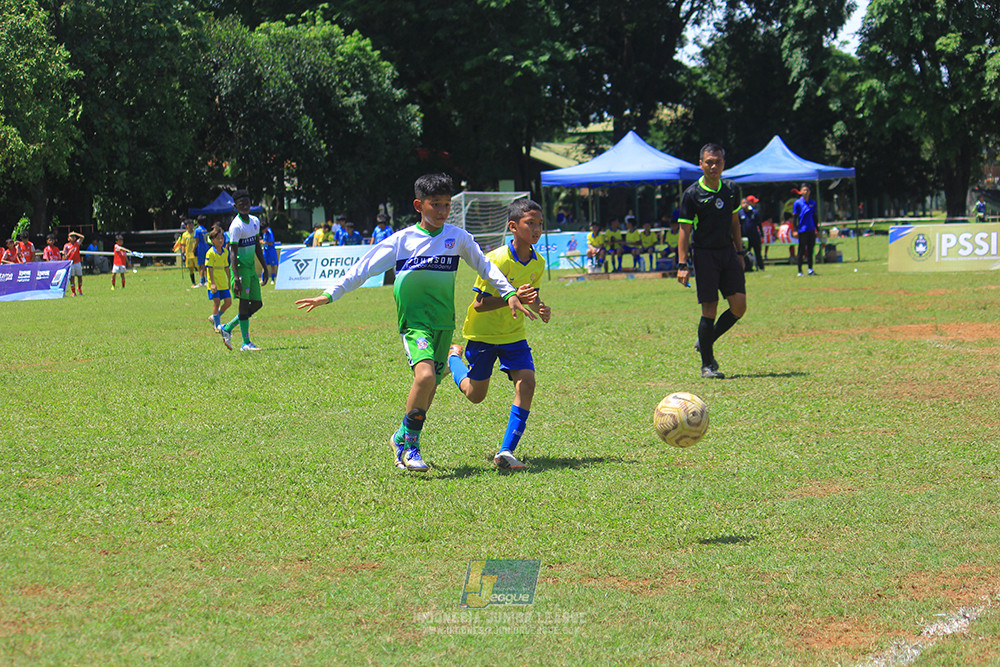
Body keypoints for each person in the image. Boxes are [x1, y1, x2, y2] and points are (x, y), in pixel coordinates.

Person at [294, 173, 533, 473]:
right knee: (425, 379)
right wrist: (329, 295)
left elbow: (486, 266)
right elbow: (362, 269)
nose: (443, 211)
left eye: (447, 204)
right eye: (436, 204)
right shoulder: (402, 241)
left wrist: (508, 292)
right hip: (415, 324)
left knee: (428, 389)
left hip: (444, 325)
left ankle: (400, 437)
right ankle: (411, 448)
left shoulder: (457, 238)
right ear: (419, 205)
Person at [447, 199, 551, 470]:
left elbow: (530, 294)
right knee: (475, 394)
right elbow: (480, 304)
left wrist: (539, 306)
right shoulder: (495, 260)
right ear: (513, 227)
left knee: (527, 383)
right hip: (483, 334)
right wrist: (511, 298)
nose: (537, 229)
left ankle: (506, 452)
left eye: (540, 224)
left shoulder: (537, 262)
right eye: (531, 223)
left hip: (513, 335)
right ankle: (453, 359)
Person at [676, 143, 746, 379]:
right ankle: (708, 364)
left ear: (724, 164)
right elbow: (684, 230)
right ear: (701, 164)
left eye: (717, 162)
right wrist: (682, 264)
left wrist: (740, 252)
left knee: (739, 306)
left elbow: (735, 221)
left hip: (728, 253)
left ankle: (705, 340)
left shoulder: (731, 189)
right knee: (710, 309)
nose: (713, 166)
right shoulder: (692, 194)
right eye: (709, 162)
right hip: (704, 255)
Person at [219, 190, 269, 352]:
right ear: (235, 206)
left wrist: (265, 267)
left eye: (247, 203)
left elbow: (257, 246)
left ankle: (228, 327)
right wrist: (237, 278)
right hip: (240, 270)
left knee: (257, 304)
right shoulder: (236, 226)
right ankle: (245, 343)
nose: (245, 206)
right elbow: (232, 253)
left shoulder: (255, 221)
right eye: (241, 204)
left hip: (251, 269)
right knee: (243, 304)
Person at [205, 227, 232, 331]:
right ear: (212, 240)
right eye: (218, 238)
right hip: (214, 281)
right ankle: (217, 325)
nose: (221, 240)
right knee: (216, 302)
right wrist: (212, 283)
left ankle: (215, 317)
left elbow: (226, 267)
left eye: (222, 238)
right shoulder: (210, 253)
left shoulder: (225, 252)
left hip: (223, 281)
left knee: (228, 302)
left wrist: (229, 280)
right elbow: (209, 269)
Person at [793, 184, 819, 276]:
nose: (806, 192)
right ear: (801, 191)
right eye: (804, 190)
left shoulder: (813, 203)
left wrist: (817, 229)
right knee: (801, 250)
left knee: (810, 250)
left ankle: (810, 269)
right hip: (802, 229)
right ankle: (800, 270)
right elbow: (795, 217)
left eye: (807, 190)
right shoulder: (797, 203)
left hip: (811, 229)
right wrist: (795, 229)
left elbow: (815, 217)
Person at [739, 196, 765, 271]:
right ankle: (748, 267)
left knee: (758, 252)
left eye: (746, 203)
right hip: (745, 237)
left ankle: (760, 267)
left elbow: (759, 224)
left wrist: (761, 234)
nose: (745, 204)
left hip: (755, 236)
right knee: (746, 253)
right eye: (743, 203)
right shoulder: (739, 213)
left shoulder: (754, 212)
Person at [172, 220, 198, 286]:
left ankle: (203, 281)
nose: (191, 226)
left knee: (199, 267)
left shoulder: (196, 233)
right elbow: (183, 244)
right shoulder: (184, 235)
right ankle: (193, 283)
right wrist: (183, 254)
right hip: (188, 254)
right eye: (189, 225)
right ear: (186, 226)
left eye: (192, 224)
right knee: (191, 269)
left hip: (195, 253)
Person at [62, 231, 85, 296]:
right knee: (72, 277)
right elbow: (64, 254)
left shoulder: (77, 243)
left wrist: (75, 233)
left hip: (77, 262)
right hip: (71, 263)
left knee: (79, 276)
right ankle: (73, 292)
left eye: (74, 236)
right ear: (68, 238)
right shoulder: (66, 245)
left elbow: (82, 237)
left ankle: (79, 288)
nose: (73, 237)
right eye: (71, 236)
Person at [259, 219, 278, 283]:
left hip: (271, 251)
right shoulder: (264, 233)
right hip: (266, 250)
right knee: (264, 264)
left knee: (273, 265)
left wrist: (263, 242)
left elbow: (271, 243)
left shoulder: (270, 232)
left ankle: (272, 279)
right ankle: (262, 279)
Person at [194, 216, 211, 286]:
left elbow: (197, 241)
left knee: (201, 266)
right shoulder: (205, 230)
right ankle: (207, 280)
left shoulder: (197, 230)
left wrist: (194, 249)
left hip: (201, 249)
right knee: (206, 265)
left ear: (197, 222)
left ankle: (202, 281)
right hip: (206, 248)